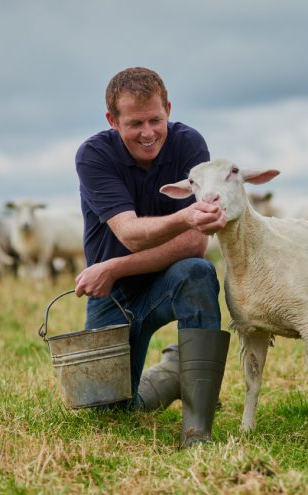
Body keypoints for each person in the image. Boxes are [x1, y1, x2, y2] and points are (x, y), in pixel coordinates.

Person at [74, 66, 230, 447]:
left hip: (164, 280)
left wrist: (113, 266)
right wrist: (187, 217)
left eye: (156, 119)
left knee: (197, 271)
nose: (148, 133)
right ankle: (175, 373)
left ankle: (197, 430)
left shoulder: (189, 145)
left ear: (168, 109)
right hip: (112, 296)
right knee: (109, 412)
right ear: (113, 120)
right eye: (135, 123)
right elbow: (129, 232)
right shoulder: (93, 155)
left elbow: (196, 244)